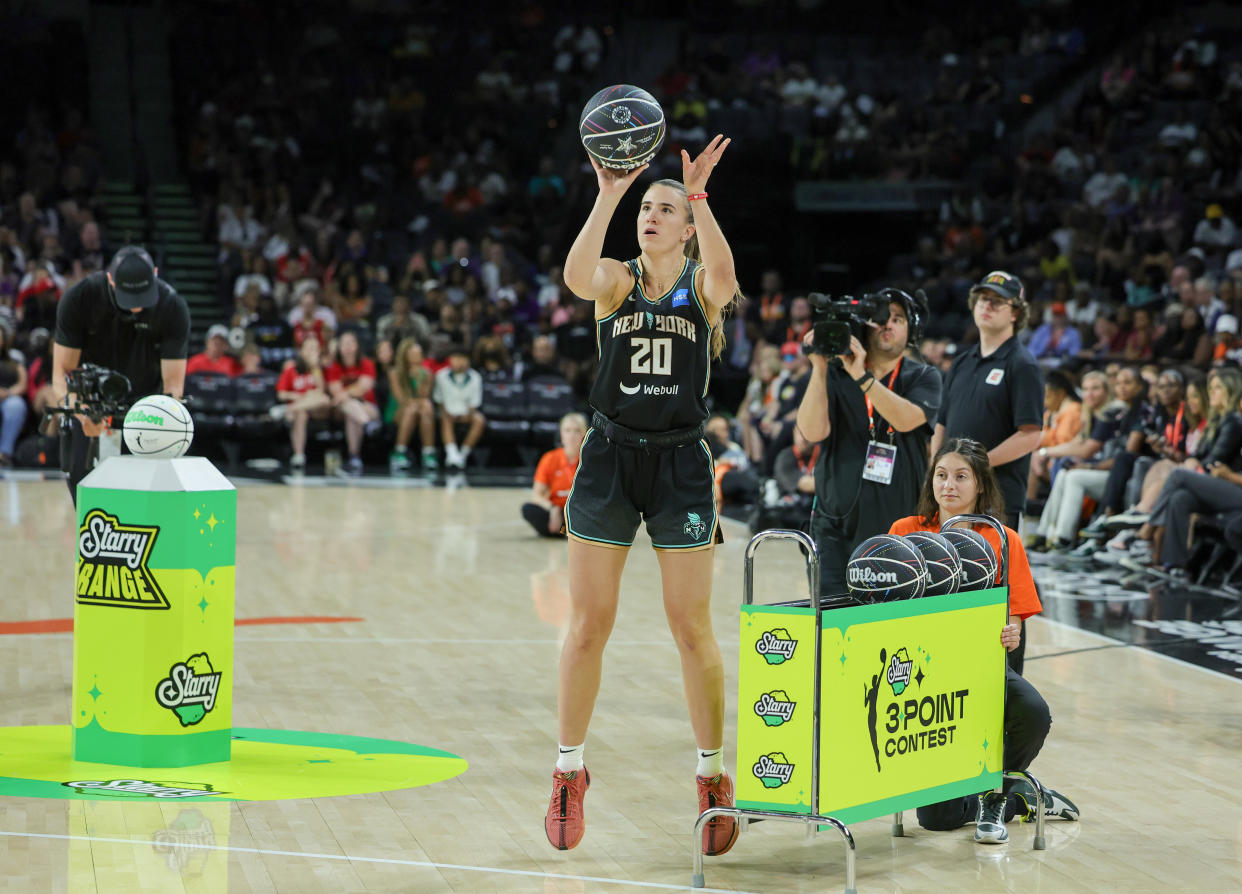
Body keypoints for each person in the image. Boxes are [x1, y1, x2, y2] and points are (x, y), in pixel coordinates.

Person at [548, 135, 740, 856]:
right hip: (608, 458)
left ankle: (712, 775)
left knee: (691, 628)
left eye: (665, 209)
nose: (651, 216)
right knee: (588, 625)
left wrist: (698, 195)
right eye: (647, 208)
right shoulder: (616, 282)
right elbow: (572, 275)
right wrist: (607, 191)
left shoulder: (702, 285)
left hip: (681, 465)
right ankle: (569, 771)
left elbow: (724, 272)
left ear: (685, 224)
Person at [888, 438, 1079, 842]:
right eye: (941, 475)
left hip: (979, 668)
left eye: (961, 477)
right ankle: (1021, 798)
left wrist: (1012, 631)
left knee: (1033, 713)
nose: (949, 486)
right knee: (937, 821)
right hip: (922, 676)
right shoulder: (904, 531)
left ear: (980, 485)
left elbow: (1015, 617)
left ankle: (999, 790)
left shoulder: (1002, 538)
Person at [796, 288, 942, 600]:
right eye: (880, 319)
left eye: (898, 319)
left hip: (897, 530)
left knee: (887, 629)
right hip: (833, 527)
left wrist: (862, 377)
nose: (888, 325)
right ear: (866, 326)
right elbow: (811, 432)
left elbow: (907, 419)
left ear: (910, 329)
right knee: (831, 623)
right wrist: (820, 368)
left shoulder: (924, 377)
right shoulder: (834, 374)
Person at [52, 245, 189, 502]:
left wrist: (162, 424)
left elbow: (173, 386)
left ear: (156, 274)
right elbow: (61, 374)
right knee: (86, 492)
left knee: (145, 498)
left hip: (145, 408)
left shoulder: (172, 306)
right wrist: (81, 411)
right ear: (110, 279)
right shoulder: (80, 298)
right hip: (90, 401)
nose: (136, 306)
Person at [932, 271, 1043, 531]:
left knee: (992, 572)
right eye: (982, 299)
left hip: (997, 498)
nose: (987, 305)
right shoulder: (960, 362)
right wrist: (937, 473)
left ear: (1015, 313)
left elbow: (1030, 435)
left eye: (997, 301)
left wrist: (975, 466)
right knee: (945, 570)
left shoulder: (1022, 364)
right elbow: (941, 424)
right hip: (952, 496)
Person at [521, 412, 587, 537]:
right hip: (557, 510)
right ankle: (567, 532)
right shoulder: (550, 458)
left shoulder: (591, 461)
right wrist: (552, 508)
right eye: (567, 431)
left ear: (584, 434)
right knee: (528, 509)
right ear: (561, 435)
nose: (572, 436)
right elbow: (536, 495)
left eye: (577, 431)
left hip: (580, 511)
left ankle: (564, 532)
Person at [324, 330, 379, 477]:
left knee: (351, 411)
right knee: (348, 406)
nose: (347, 347)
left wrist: (345, 393)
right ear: (339, 348)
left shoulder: (367, 363)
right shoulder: (334, 366)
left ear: (357, 346)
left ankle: (354, 457)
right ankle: (367, 425)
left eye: (351, 343)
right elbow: (335, 390)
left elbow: (363, 388)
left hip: (368, 406)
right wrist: (349, 393)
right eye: (344, 344)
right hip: (343, 409)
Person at [274, 336, 331, 473]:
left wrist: (316, 367)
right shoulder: (292, 368)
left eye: (315, 349)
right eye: (309, 348)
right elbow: (281, 394)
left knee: (324, 399)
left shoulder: (322, 368)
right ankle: (299, 456)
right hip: (300, 409)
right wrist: (299, 396)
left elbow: (321, 390)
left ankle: (287, 409)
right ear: (302, 351)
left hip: (319, 410)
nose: (313, 352)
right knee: (301, 413)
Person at [388, 338, 437, 474]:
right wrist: (416, 403)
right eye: (413, 354)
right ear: (405, 355)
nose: (417, 358)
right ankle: (398, 453)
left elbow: (424, 395)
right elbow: (401, 399)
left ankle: (428, 453)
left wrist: (418, 377)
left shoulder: (427, 374)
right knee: (412, 408)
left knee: (425, 405)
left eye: (419, 354)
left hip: (419, 410)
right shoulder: (395, 373)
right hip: (398, 410)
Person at [432, 345, 485, 471]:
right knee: (445, 418)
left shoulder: (476, 377)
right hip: (448, 412)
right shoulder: (441, 375)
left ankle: (462, 455)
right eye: (456, 358)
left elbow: (475, 401)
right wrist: (446, 412)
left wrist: (469, 414)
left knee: (480, 420)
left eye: (462, 359)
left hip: (467, 412)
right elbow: (439, 400)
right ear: (450, 360)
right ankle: (452, 454)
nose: (459, 362)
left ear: (468, 361)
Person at [0, 317, 28, 466]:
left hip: (9, 396)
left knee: (16, 405)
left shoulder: (15, 357)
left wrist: (8, 393)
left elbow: (23, 383)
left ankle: (4, 453)